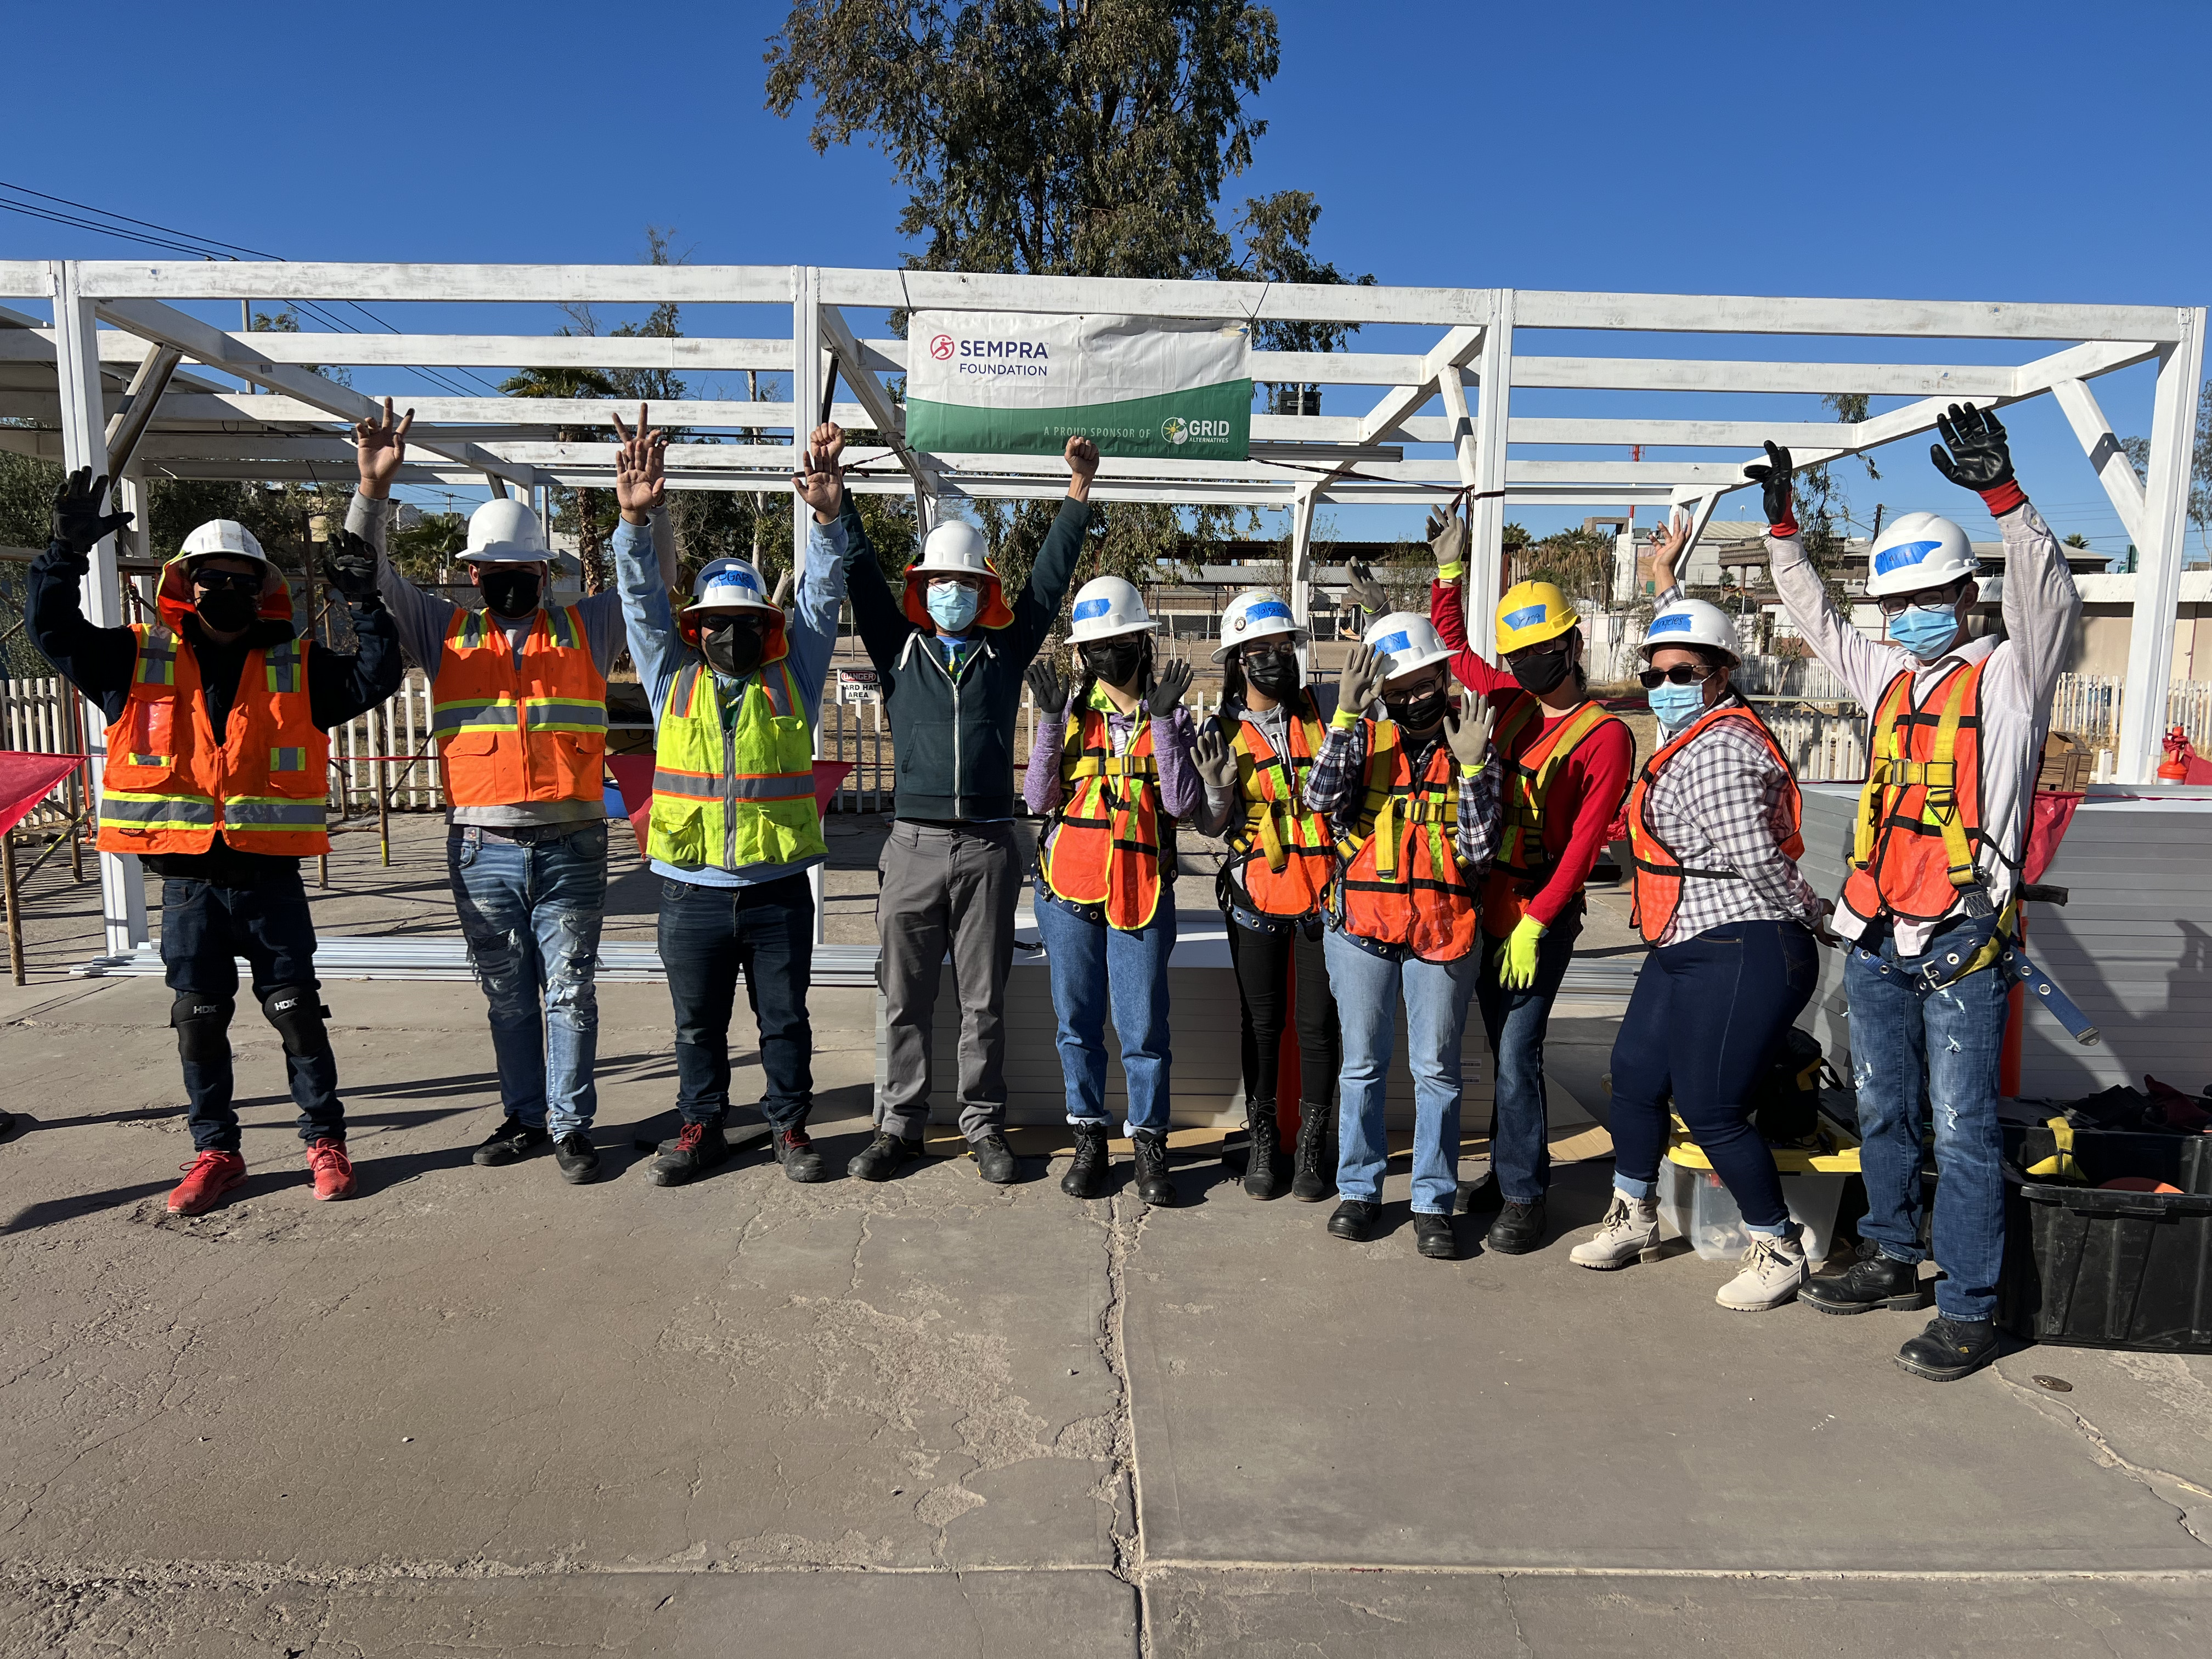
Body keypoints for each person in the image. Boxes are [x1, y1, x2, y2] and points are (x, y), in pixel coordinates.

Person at [1753, 405, 2079, 1380]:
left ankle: (1969, 1304)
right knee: (1886, 1109)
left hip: (1959, 938)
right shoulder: (1888, 675)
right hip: (1880, 934)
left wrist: (2007, 500)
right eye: (1895, 604)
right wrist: (1780, 533)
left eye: (1925, 597)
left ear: (1965, 593)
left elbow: (2049, 600)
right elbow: (1815, 617)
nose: (1905, 616)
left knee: (1966, 1125)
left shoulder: (2008, 679)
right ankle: (1893, 1251)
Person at [30, 469, 400, 1214]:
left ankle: (325, 1142)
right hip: (189, 884)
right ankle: (216, 1151)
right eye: (211, 578)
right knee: (198, 1020)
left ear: (260, 588)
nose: (225, 589)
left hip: (270, 880)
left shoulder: (295, 662)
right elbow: (52, 632)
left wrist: (364, 602)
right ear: (184, 586)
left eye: (239, 578)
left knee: (295, 1010)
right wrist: (61, 555)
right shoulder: (135, 658)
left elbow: (377, 676)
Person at [348, 400, 627, 1184]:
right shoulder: (442, 632)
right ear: (473, 575)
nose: (508, 583)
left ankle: (573, 1124)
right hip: (482, 848)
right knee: (508, 995)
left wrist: (641, 520)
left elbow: (648, 588)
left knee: (570, 991)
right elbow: (369, 572)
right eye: (494, 573)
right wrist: (371, 492)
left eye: (525, 573)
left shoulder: (589, 629)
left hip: (572, 840)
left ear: (546, 573)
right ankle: (526, 1118)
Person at [836, 435, 1099, 1186]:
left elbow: (1048, 587)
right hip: (912, 845)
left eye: (965, 580)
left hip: (988, 846)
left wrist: (1077, 495)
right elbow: (860, 576)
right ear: (924, 588)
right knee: (904, 999)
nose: (952, 590)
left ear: (985, 590)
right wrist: (840, 507)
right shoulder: (898, 652)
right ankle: (901, 1127)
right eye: (939, 579)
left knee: (983, 1003)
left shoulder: (1005, 654)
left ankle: (984, 1126)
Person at [1365, 516, 1632, 1254]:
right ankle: (1513, 1166)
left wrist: (1538, 921)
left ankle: (1524, 1195)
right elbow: (1450, 646)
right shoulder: (1507, 701)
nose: (1528, 664)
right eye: (1518, 654)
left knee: (1519, 1052)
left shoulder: (1604, 736)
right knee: (1490, 1050)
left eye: (1543, 649)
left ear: (1573, 644)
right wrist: (1446, 569)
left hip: (1536, 912)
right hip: (1480, 902)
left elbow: (1584, 846)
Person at [1572, 575, 1829, 1310]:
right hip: (1686, 938)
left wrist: (1817, 914)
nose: (1664, 686)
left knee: (1712, 1105)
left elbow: (1755, 858)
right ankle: (1634, 1214)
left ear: (1723, 676)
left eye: (1683, 675)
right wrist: (1668, 581)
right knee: (1636, 1075)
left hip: (1745, 942)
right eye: (1654, 675)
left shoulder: (1719, 750)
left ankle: (1778, 1248)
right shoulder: (1693, 736)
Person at [610, 410, 849, 1187]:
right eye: (718, 624)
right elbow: (641, 601)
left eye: (746, 623)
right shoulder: (670, 678)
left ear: (765, 626)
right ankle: (701, 1125)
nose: (733, 634)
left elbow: (820, 595)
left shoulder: (795, 678)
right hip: (691, 895)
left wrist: (826, 518)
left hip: (778, 893)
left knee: (784, 1023)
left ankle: (790, 1127)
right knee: (697, 1027)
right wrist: (634, 521)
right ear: (698, 629)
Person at [1302, 613, 1501, 1260]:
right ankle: (1358, 1191)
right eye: (1400, 686)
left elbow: (1480, 850)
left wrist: (1471, 773)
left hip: (1442, 931)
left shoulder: (1472, 742)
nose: (1415, 697)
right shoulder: (1364, 739)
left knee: (1436, 1071)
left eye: (1425, 682)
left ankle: (1432, 1201)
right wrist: (1344, 720)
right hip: (1363, 927)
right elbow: (1319, 799)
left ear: (1446, 676)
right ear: (1383, 691)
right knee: (1362, 1065)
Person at [1024, 578, 1202, 1206]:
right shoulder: (1069, 714)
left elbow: (1181, 804)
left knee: (1143, 1027)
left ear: (1140, 640)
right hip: (1068, 892)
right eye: (1092, 646)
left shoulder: (1172, 713)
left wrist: (1164, 725)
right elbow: (1039, 799)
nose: (1104, 655)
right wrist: (1048, 723)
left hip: (1143, 891)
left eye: (1116, 642)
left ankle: (1150, 1144)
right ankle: (1089, 1139)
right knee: (1076, 1024)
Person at [1187, 588, 1342, 1200]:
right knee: (1261, 1023)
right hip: (1256, 900)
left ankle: (1309, 1147)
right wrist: (1217, 790)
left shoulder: (1326, 708)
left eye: (1284, 646)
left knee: (1317, 1025)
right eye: (1261, 649)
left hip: (1323, 897)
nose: (1277, 658)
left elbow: (1385, 678)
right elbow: (1211, 826)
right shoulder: (1219, 730)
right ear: (1237, 660)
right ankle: (1260, 1144)